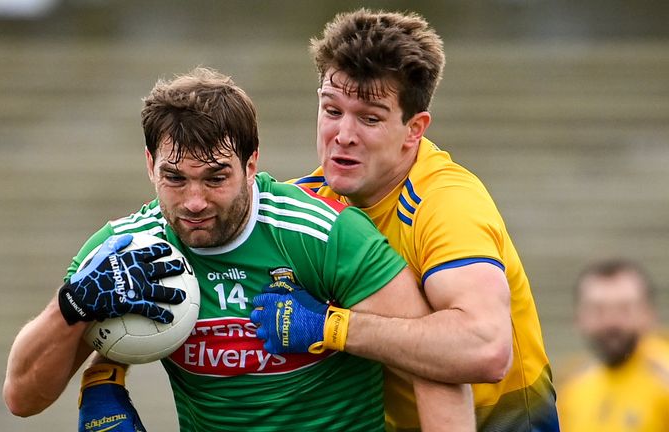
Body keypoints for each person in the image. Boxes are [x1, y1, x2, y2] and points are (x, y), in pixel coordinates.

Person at [2, 67, 474, 431]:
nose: (194, 202)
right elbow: (22, 398)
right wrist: (72, 307)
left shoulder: (324, 234)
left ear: (251, 165)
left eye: (215, 178)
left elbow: (434, 363)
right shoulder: (124, 251)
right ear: (149, 165)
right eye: (174, 178)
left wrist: (331, 327)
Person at [251, 9, 559, 431]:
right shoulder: (306, 202)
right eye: (332, 110)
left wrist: (330, 327)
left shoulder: (447, 203)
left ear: (414, 129)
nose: (343, 135)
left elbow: (486, 349)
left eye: (370, 118)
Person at [557, 258, 669, 432]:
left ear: (649, 315)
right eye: (598, 310)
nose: (611, 321)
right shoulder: (569, 387)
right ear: (578, 318)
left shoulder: (664, 380)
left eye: (624, 309)